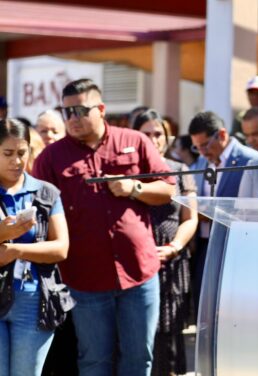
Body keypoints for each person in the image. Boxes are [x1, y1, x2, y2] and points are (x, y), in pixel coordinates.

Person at [32, 78, 176, 376]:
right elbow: (38, 212)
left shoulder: (134, 140)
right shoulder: (51, 157)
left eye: (80, 110)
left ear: (100, 109)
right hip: (85, 280)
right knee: (94, 361)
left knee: (139, 359)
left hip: (139, 274)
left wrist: (135, 187)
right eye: (67, 111)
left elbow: (168, 189)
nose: (72, 118)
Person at [0, 118, 71, 376]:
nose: (16, 161)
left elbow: (61, 248)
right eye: (8, 153)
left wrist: (17, 251)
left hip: (33, 300)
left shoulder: (46, 193)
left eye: (22, 153)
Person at [132, 109, 198, 376]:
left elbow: (190, 218)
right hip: (134, 264)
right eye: (146, 134)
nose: (153, 139)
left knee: (169, 339)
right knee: (137, 336)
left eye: (157, 133)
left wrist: (175, 247)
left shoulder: (181, 170)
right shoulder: (126, 173)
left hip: (171, 261)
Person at [188, 111, 258, 312]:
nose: (202, 152)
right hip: (205, 246)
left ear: (221, 134)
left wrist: (211, 212)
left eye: (204, 145)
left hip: (237, 249)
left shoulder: (252, 160)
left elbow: (257, 209)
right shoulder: (203, 162)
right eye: (196, 147)